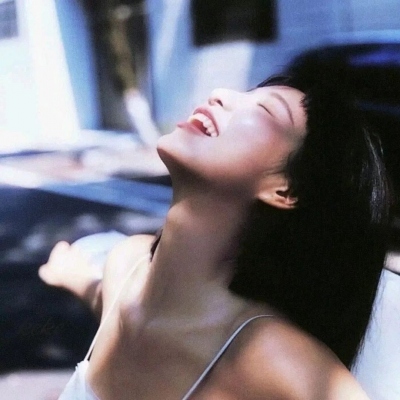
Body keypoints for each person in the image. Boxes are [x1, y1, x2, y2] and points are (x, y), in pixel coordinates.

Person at [39, 74, 391, 399]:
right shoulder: (126, 267)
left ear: (286, 190)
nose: (220, 94)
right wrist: (72, 275)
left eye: (266, 109)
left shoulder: (269, 356)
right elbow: (108, 298)